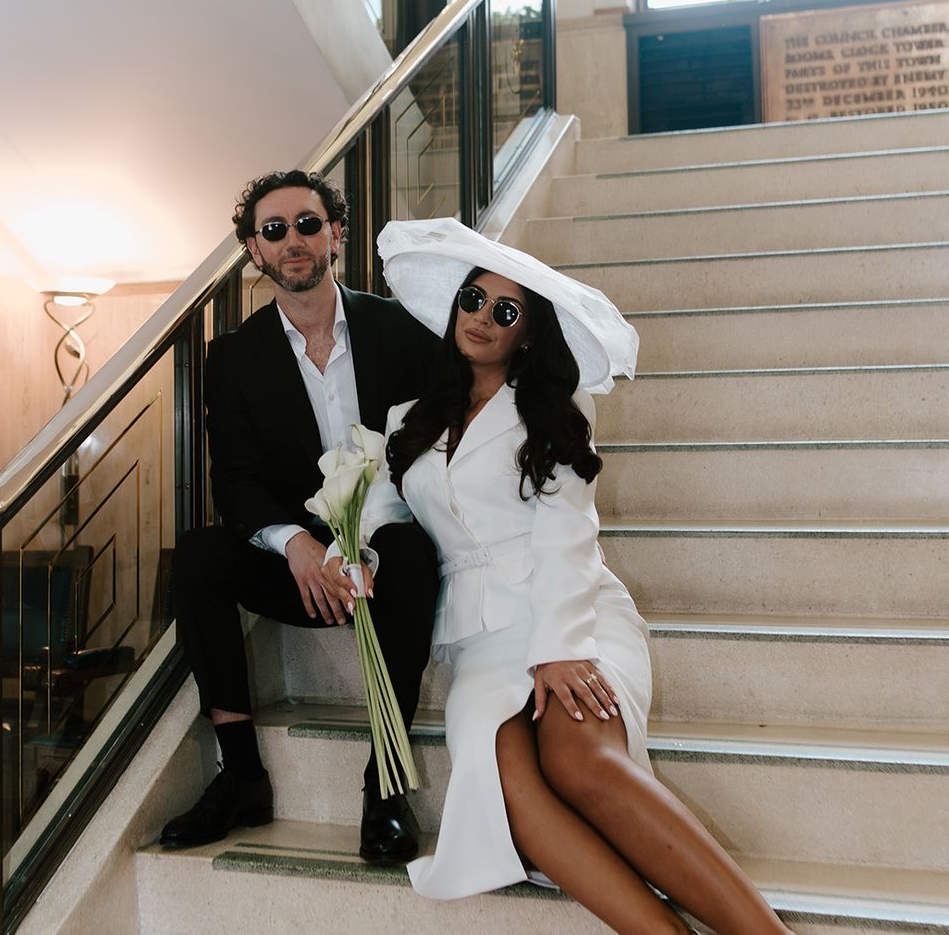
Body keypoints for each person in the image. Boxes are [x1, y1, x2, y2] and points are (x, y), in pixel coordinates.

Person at [325, 218, 794, 934]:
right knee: (511, 785)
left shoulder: (553, 407)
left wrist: (561, 646)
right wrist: (350, 557)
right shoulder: (405, 421)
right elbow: (381, 519)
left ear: (528, 333)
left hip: (571, 613)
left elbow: (568, 530)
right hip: (476, 642)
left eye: (505, 312)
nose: (483, 318)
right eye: (473, 300)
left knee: (579, 762)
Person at [162, 171, 440, 864]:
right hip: (303, 568)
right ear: (254, 251)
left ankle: (386, 784)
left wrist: (370, 542)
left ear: (335, 234)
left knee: (409, 554)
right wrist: (295, 547)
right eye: (274, 230)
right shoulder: (232, 357)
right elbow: (237, 481)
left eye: (308, 224)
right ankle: (242, 777)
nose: (294, 240)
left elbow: (435, 448)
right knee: (198, 555)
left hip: (388, 554)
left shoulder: (401, 329)